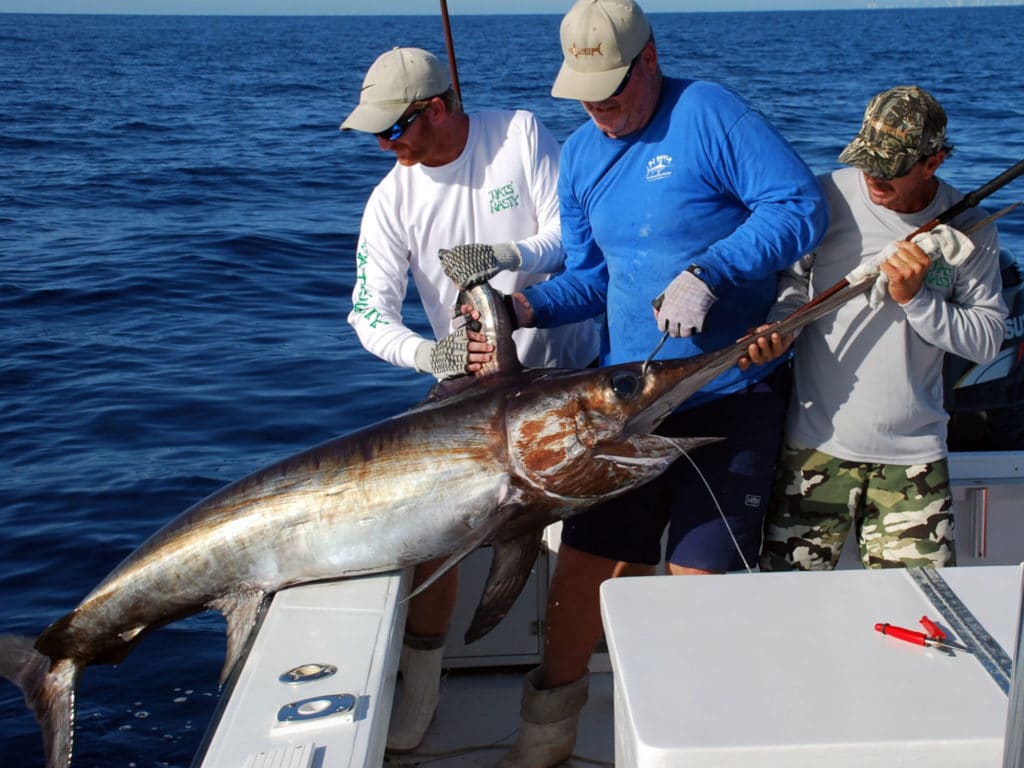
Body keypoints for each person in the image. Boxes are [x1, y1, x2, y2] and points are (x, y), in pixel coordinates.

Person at [439, 2, 828, 764]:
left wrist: (711, 270)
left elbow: (798, 206)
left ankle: (695, 744)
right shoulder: (582, 155)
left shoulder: (708, 113)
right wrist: (521, 307)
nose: (598, 110)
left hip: (727, 398)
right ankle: (543, 740)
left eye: (612, 92)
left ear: (648, 60)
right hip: (621, 409)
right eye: (584, 95)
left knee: (698, 576)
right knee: (584, 566)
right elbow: (591, 278)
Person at [340, 46, 600, 752]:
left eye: (393, 131)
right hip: (468, 386)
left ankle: (554, 708)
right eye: (375, 137)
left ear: (437, 107)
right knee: (430, 540)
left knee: (587, 541)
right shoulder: (392, 196)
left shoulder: (516, 134)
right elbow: (367, 313)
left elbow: (570, 240)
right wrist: (429, 354)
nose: (386, 148)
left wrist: (506, 258)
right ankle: (420, 691)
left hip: (567, 369)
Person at [756, 85, 1007, 572]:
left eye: (889, 167)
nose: (872, 176)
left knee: (929, 620)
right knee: (786, 610)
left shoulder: (972, 228)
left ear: (932, 163)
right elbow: (792, 281)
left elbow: (986, 339)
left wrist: (917, 299)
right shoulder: (828, 198)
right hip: (813, 449)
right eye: (865, 159)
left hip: (914, 460)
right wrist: (781, 327)